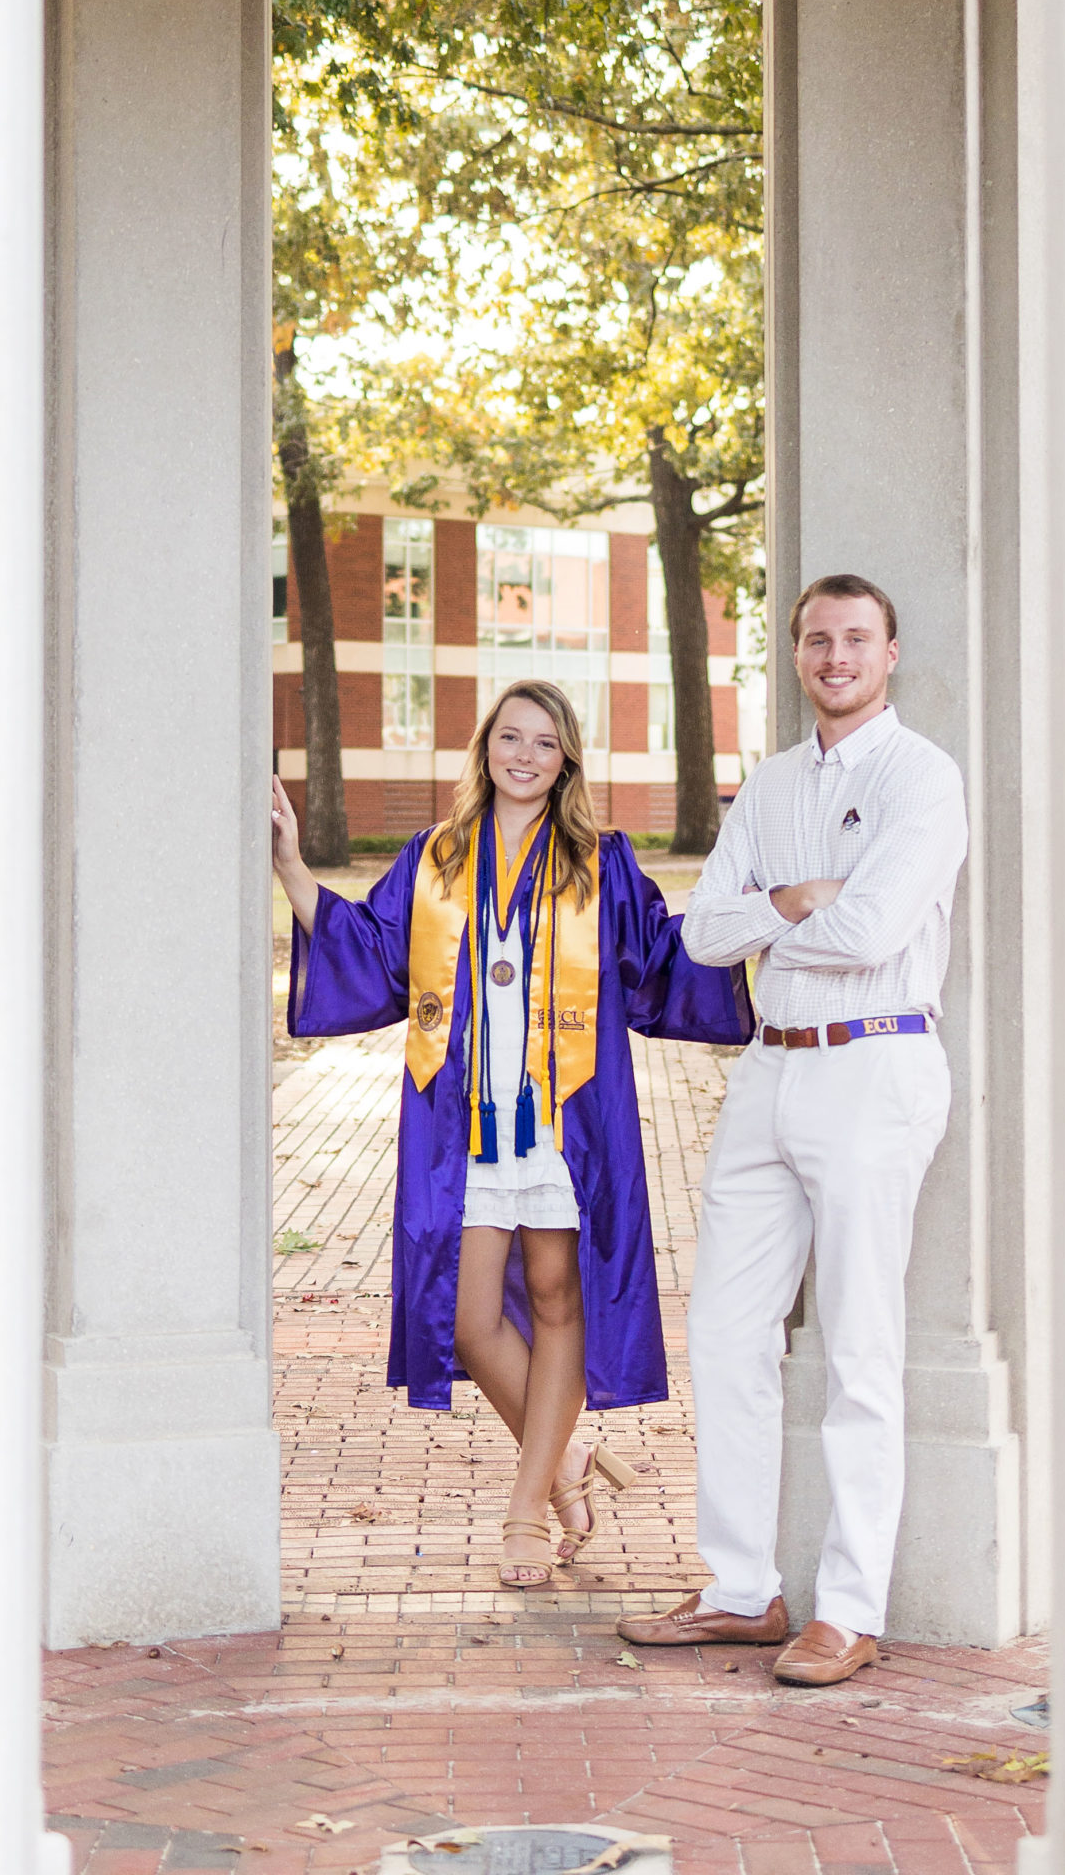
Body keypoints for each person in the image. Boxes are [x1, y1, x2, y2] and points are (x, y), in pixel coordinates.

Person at [272, 678, 753, 1590]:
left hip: (566, 1120)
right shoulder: (434, 857)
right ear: (484, 747)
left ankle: (526, 1510)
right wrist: (293, 867)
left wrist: (758, 915)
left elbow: (660, 961)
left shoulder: (598, 863)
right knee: (466, 1313)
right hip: (463, 1120)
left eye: (543, 742)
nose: (523, 755)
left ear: (566, 758)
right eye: (510, 737)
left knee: (557, 1295)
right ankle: (566, 1461)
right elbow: (372, 956)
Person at [616, 574, 966, 1686]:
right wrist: (794, 900)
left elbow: (874, 927)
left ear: (890, 651)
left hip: (877, 1060)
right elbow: (704, 932)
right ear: (798, 652)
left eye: (857, 637)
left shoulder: (924, 777)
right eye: (817, 638)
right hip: (771, 1071)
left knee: (860, 1343)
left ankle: (849, 1608)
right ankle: (741, 1590)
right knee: (725, 1328)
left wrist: (795, 909)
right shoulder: (769, 784)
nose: (835, 655)